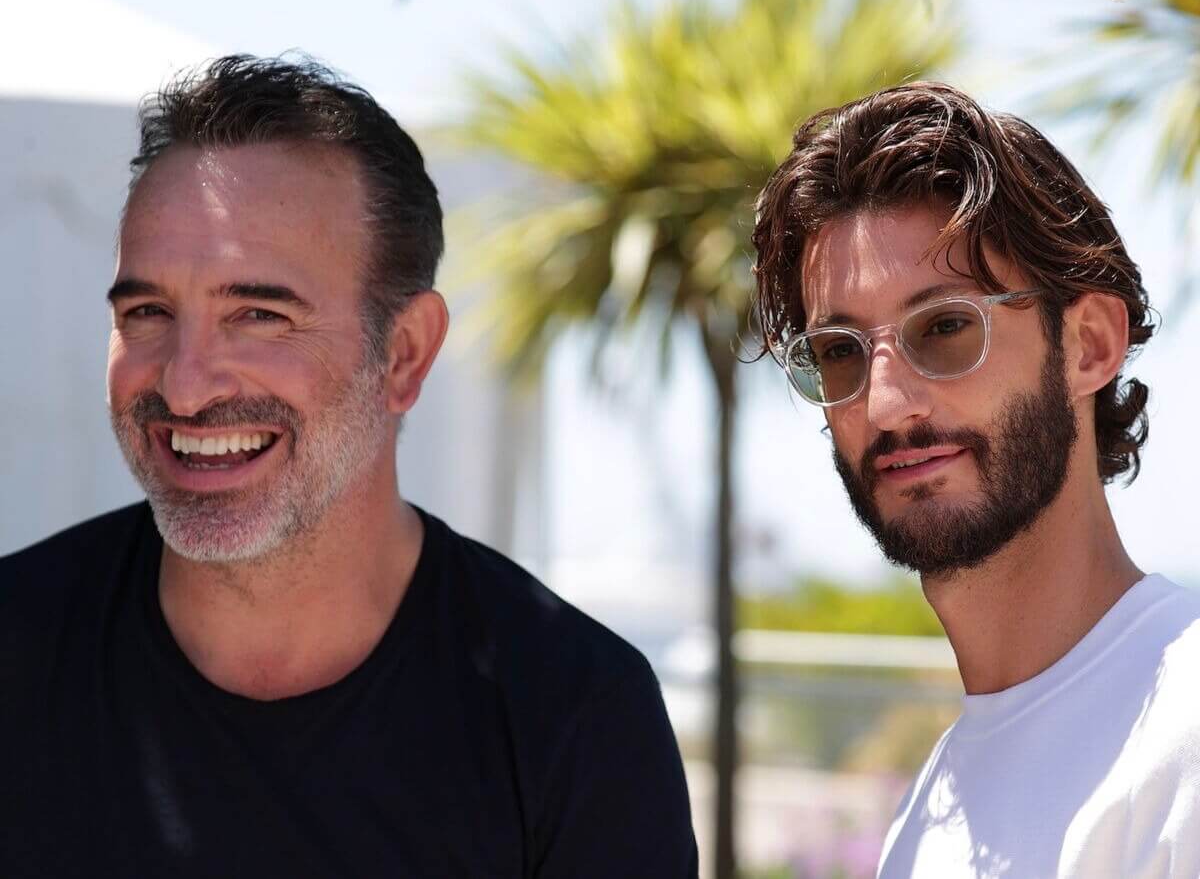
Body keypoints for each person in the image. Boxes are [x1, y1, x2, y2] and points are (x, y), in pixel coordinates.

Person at [0, 54, 697, 878]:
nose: (184, 387)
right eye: (148, 312)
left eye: (259, 314)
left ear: (403, 355)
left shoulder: (572, 713)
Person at [752, 82, 1200, 877]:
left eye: (948, 326)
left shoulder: (1185, 734)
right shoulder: (925, 815)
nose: (886, 404)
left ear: (1090, 346)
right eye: (841, 352)